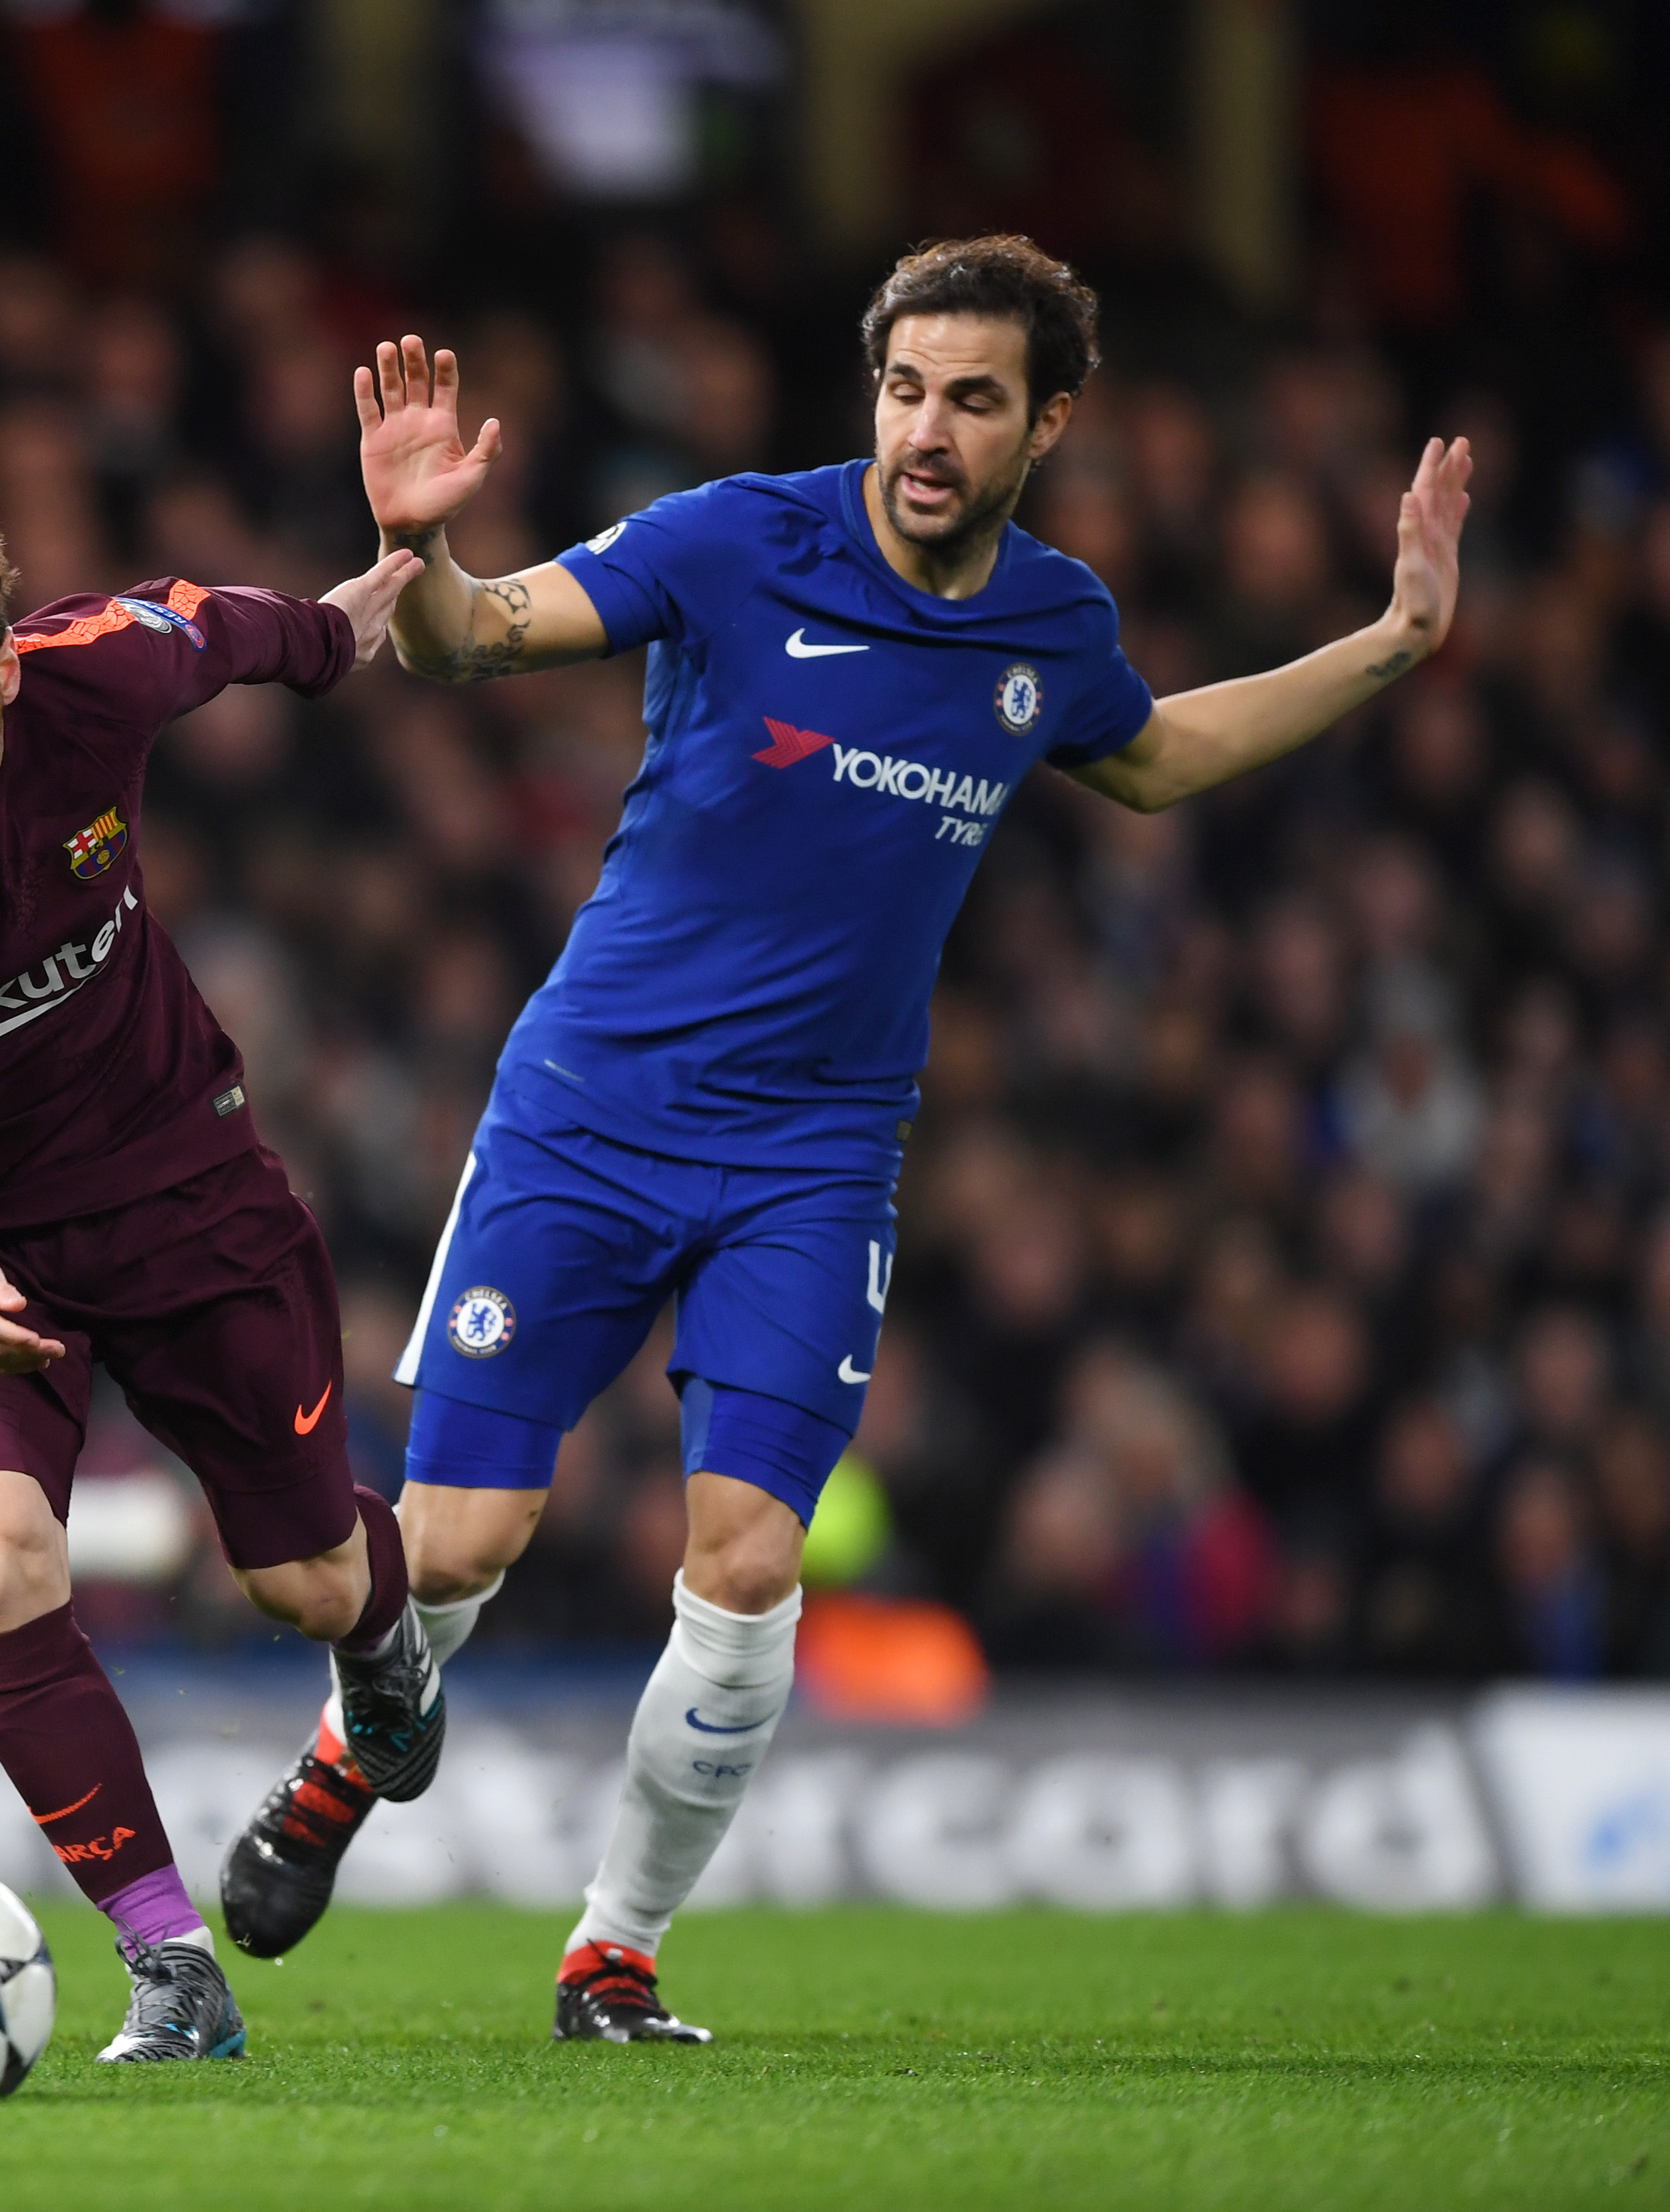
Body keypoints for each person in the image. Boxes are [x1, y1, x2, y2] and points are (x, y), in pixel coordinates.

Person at [218, 235, 1473, 2041]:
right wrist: (421, 554)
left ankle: (614, 1954)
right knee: (465, 1541)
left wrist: (1396, 640)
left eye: (972, 398)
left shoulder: (1053, 625)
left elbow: (1158, 756)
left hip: (814, 1160)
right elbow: (479, 640)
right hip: (589, 1114)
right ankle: (351, 1756)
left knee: (745, 1563)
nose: (927, 431)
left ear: (1049, 422)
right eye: (903, 390)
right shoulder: (735, 540)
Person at [0, 492, 436, 2062]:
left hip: (177, 1182)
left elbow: (222, 631)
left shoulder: (94, 671)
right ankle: (170, 1965)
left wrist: (335, 632)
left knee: (304, 1579)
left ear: (6, 669)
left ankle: (382, 1646)